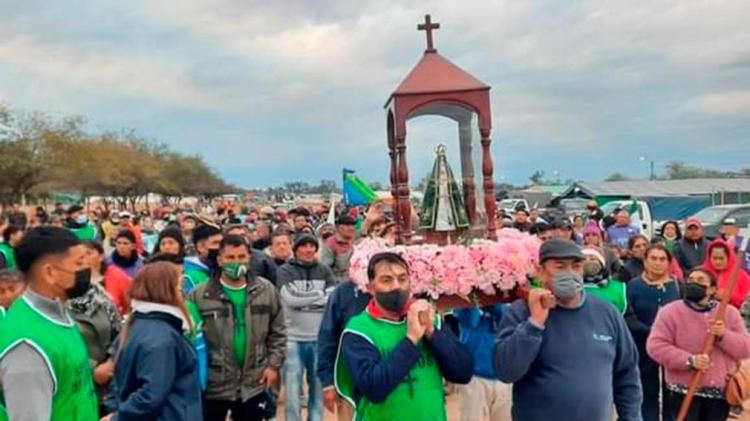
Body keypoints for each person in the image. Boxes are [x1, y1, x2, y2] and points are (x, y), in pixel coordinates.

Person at [494, 239, 642, 420]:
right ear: (541, 272)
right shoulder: (522, 311)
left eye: (576, 266)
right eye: (560, 266)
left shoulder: (606, 312)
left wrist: (631, 417)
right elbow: (507, 371)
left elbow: (627, 374)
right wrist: (534, 324)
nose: (570, 273)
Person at [335, 252, 473, 420]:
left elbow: (463, 372)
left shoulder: (426, 318)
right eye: (386, 280)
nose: (396, 287)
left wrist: (432, 332)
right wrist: (411, 340)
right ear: (370, 288)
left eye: (402, 279)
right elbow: (373, 388)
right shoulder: (359, 330)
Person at [0, 226, 98, 420]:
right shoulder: (27, 346)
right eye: (79, 263)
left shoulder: (58, 313)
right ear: (50, 273)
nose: (87, 270)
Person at [188, 235, 286, 421]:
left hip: (254, 382)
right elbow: (190, 339)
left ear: (249, 258)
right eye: (230, 258)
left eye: (241, 257)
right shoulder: (200, 295)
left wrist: (273, 365)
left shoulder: (265, 291)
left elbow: (278, 332)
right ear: (220, 260)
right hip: (214, 383)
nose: (236, 262)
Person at [648, 268, 750, 421]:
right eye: (691, 280)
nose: (694, 283)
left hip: (718, 392)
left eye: (700, 281)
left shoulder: (728, 313)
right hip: (683, 390)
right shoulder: (670, 312)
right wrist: (689, 360)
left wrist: (724, 336)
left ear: (712, 289)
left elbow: (745, 349)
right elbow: (655, 346)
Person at [107, 262, 201, 420]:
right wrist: (117, 417)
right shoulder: (161, 337)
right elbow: (152, 394)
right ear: (165, 290)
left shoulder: (138, 325)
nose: (183, 293)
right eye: (179, 287)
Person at [278, 234, 336, 421]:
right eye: (304, 246)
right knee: (293, 389)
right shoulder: (285, 271)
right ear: (296, 249)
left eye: (313, 246)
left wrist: (305, 301)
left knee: (318, 387)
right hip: (292, 338)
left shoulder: (325, 270)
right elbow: (290, 299)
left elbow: (331, 299)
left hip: (319, 338)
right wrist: (319, 295)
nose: (309, 249)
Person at [625, 244, 682, 421]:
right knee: (646, 390)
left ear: (669, 262)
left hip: (672, 347)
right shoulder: (633, 286)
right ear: (645, 261)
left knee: (672, 392)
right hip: (643, 346)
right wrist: (652, 333)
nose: (658, 263)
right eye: (653, 258)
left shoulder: (678, 287)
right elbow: (628, 316)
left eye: (662, 259)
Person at [68, 240, 122, 414]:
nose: (83, 263)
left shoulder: (101, 296)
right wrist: (93, 369)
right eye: (78, 260)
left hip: (108, 387)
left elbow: (119, 333)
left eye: (86, 256)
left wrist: (111, 363)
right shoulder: (57, 303)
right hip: (75, 384)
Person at [316, 272, 372, 420]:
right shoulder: (344, 292)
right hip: (348, 382)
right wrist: (327, 382)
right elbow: (328, 336)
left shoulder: (401, 294)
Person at [455, 304, 512, 421]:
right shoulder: (462, 295)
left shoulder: (509, 293)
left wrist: (495, 301)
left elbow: (509, 318)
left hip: (504, 376)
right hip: (474, 377)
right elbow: (470, 320)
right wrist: (478, 292)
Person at [702, 239, 750, 308]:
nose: (718, 262)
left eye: (721, 258)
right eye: (714, 258)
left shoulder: (741, 275)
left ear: (729, 257)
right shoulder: (701, 273)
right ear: (709, 258)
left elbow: (747, 300)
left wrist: (730, 296)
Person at [582, 247, 627, 314]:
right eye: (584, 259)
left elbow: (628, 316)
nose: (588, 261)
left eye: (593, 259)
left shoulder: (618, 287)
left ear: (601, 264)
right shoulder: (573, 287)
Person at [183, 224, 222, 293]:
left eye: (222, 243)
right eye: (215, 243)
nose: (221, 247)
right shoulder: (188, 277)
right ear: (200, 247)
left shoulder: (218, 269)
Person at [320, 215, 357, 281]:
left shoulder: (355, 242)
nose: (351, 228)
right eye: (348, 226)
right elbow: (325, 267)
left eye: (353, 226)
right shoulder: (330, 243)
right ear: (339, 228)